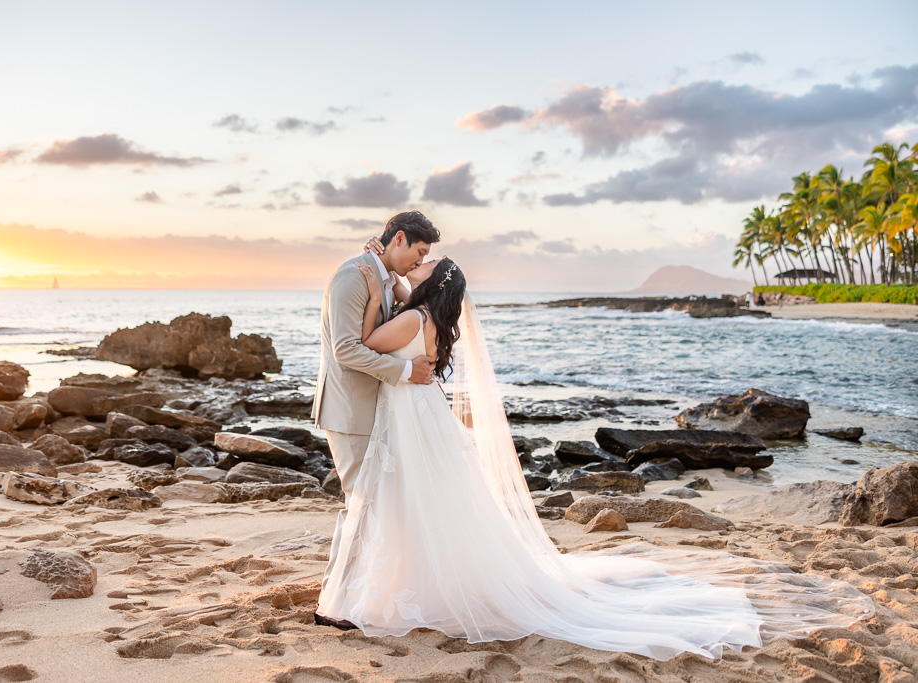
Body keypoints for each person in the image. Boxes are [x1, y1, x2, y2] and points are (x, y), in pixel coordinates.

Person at [313, 239, 874, 661]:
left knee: (385, 503)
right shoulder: (430, 317)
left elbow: (360, 344)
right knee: (418, 506)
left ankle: (366, 595)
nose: (417, 269)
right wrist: (383, 272)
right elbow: (402, 309)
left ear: (430, 286)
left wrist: (375, 276)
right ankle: (393, 587)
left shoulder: (412, 314)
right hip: (420, 420)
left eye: (424, 267)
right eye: (418, 261)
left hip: (409, 421)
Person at [310, 210, 440, 630]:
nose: (419, 263)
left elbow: (405, 301)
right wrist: (405, 372)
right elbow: (346, 349)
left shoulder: (379, 273)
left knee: (367, 505)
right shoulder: (352, 276)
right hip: (350, 410)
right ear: (398, 239)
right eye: (418, 253)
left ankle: (344, 597)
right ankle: (333, 605)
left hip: (371, 409)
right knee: (360, 504)